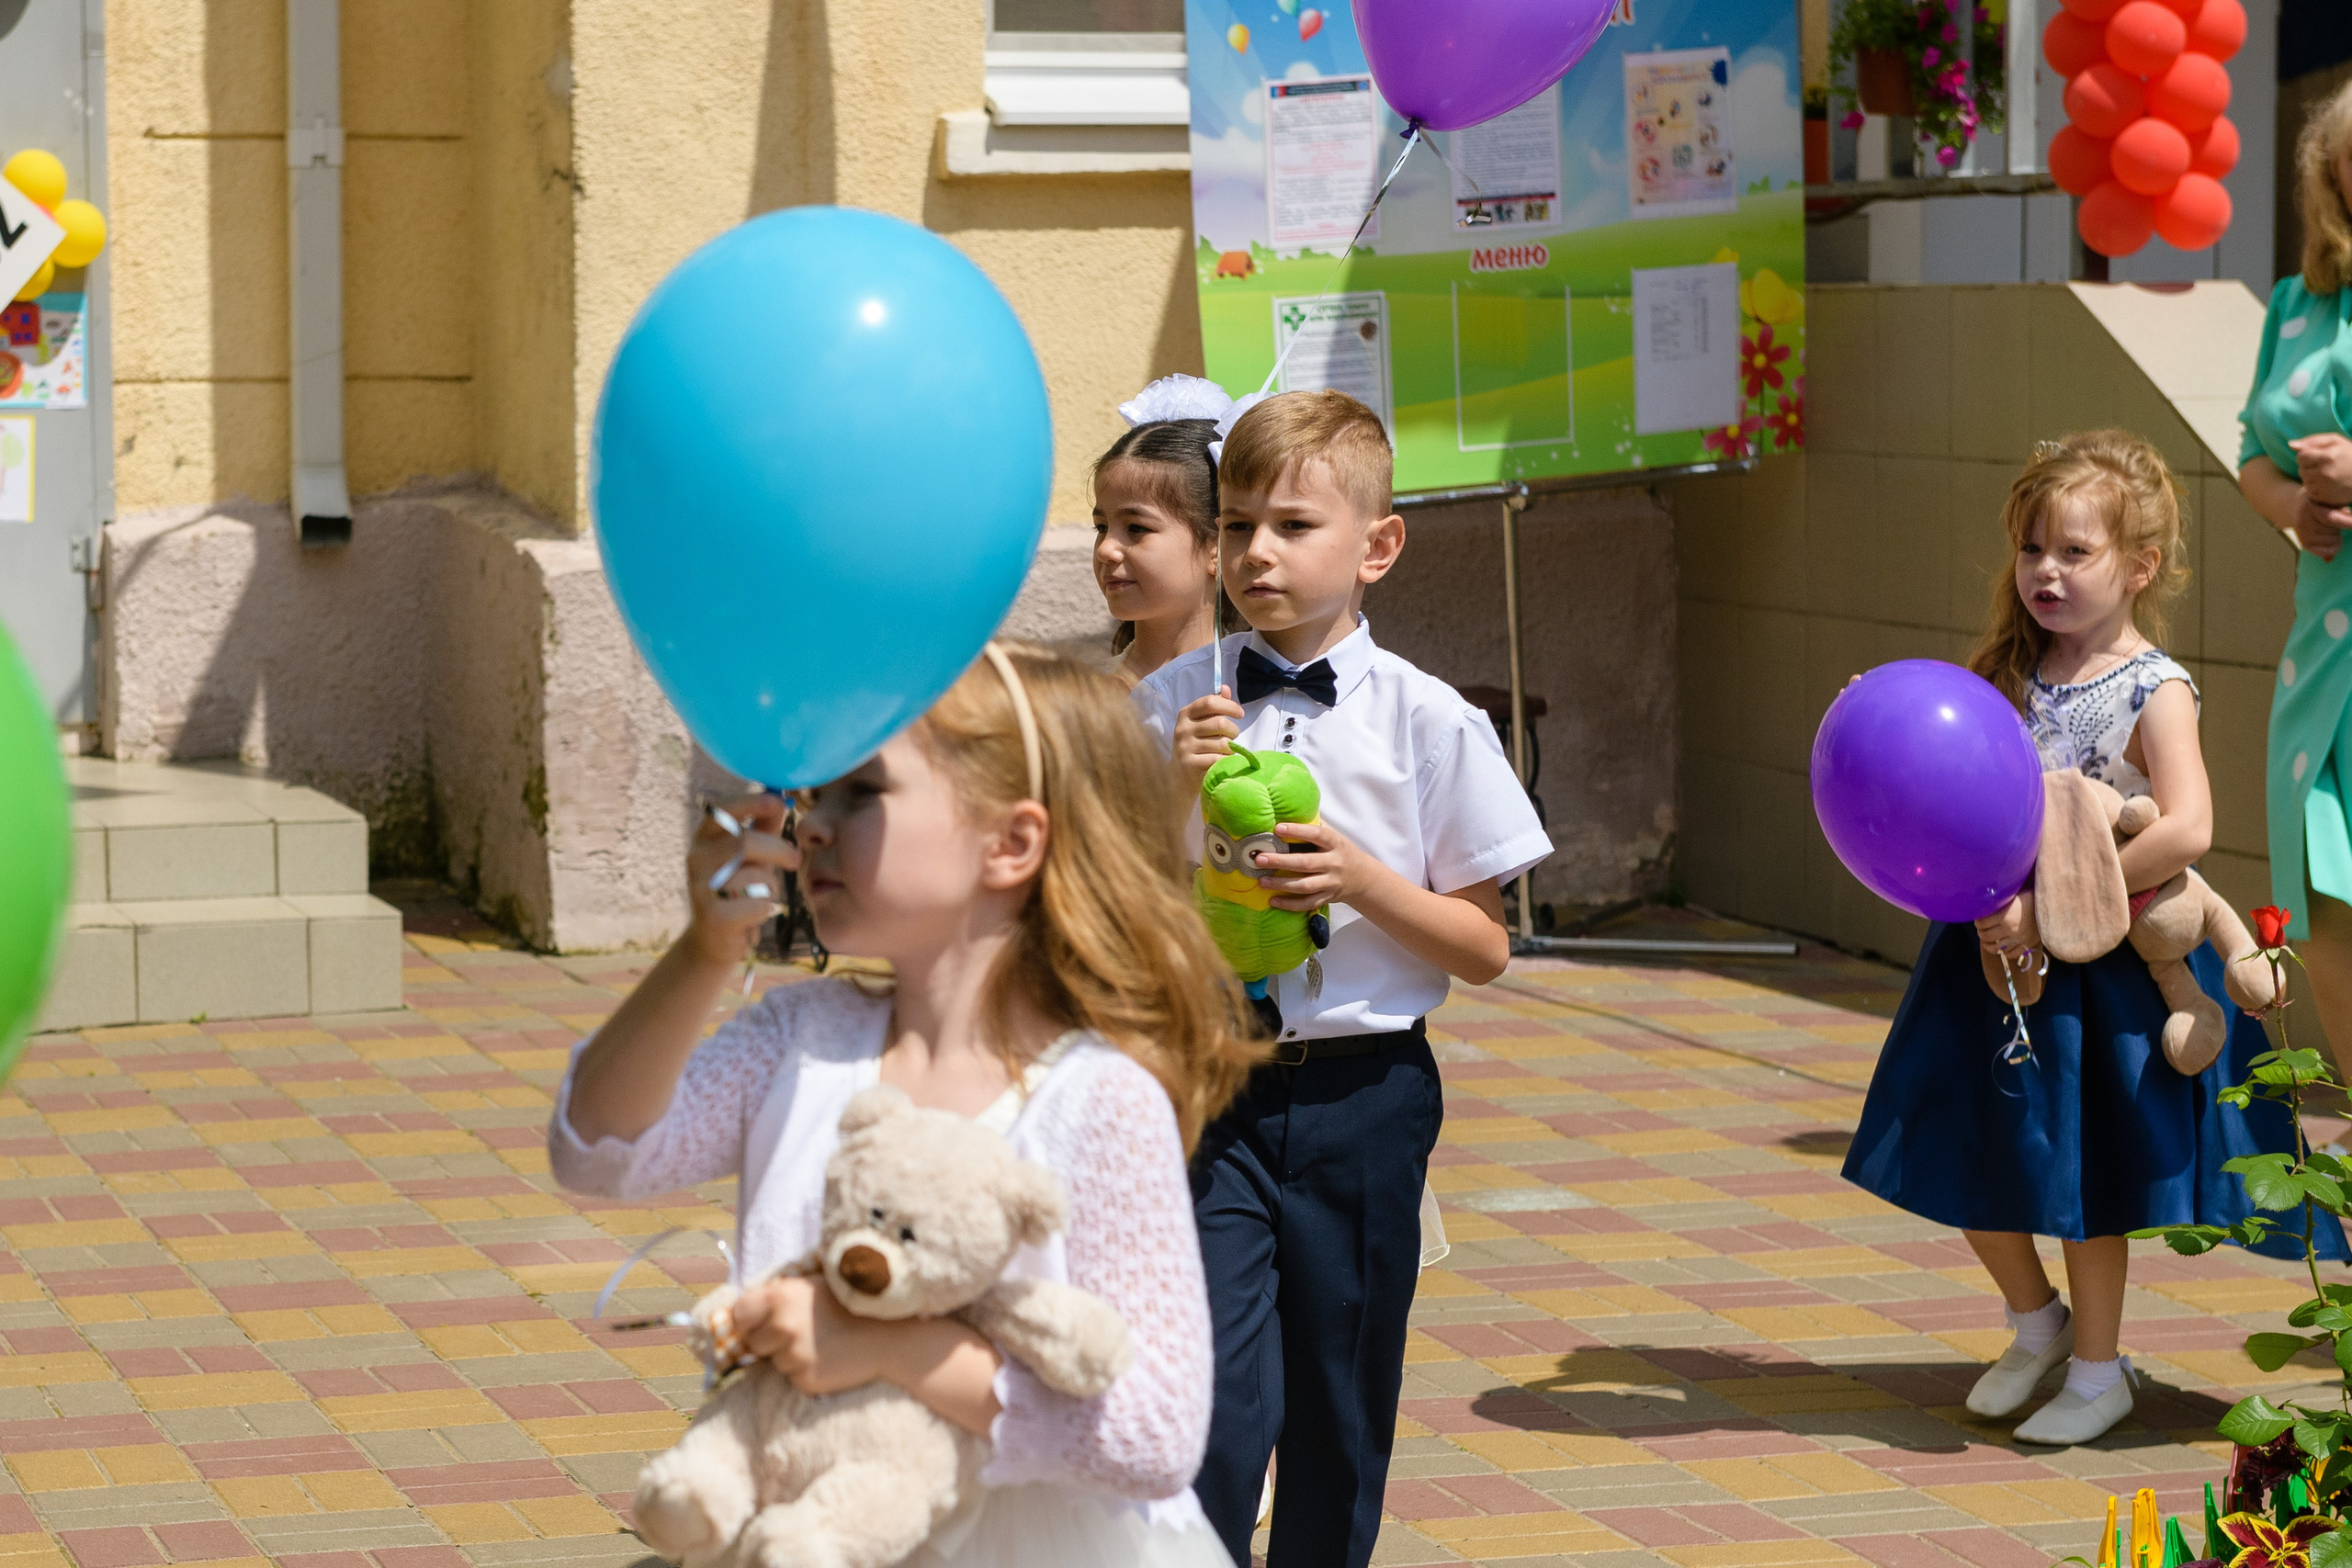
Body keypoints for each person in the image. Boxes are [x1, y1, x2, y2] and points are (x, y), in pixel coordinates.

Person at [548, 644, 1261, 1567]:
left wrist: (890, 1352)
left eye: (862, 792)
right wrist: (702, 954)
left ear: (1012, 843)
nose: (811, 824)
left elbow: (1155, 1433)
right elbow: (600, 1151)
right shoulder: (798, 1040)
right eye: (819, 794)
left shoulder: (1098, 1097)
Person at [1843, 432, 2349, 1450]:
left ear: (2138, 567)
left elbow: (2189, 826)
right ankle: (2036, 1325)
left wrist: (2069, 892)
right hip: (1987, 952)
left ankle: (2097, 1369)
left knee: (2079, 1178)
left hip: (2102, 967)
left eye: (2074, 552)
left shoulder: (2151, 684)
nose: (2045, 571)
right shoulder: (2005, 669)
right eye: (2032, 549)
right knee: (1955, 1140)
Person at [1132, 390, 1552, 1568]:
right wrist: (1166, 791)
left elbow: (1484, 947)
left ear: (1377, 547)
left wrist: (1365, 880)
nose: (1255, 552)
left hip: (1364, 1098)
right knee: (1209, 1404)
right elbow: (1102, 897)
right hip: (1209, 1082)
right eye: (1234, 527)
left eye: (1293, 526)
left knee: (1340, 1397)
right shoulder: (1169, 704)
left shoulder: (1430, 721)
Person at [2241, 78, 2352, 1065]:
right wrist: (2297, 508)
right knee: (2324, 915)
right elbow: (2253, 456)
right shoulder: (2295, 304)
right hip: (2318, 659)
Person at [1095, 376, 1238, 689]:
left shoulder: (1255, 687)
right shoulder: (1084, 695)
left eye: (1136, 528)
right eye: (1101, 527)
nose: (1105, 549)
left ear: (1217, 546)